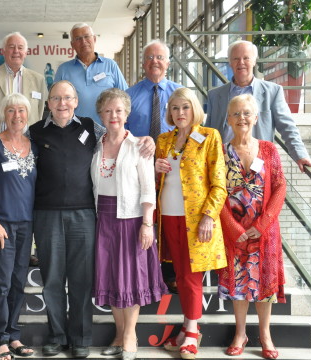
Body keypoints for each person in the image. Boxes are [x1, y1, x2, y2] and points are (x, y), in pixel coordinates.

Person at [28, 80, 103, 359]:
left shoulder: (91, 127)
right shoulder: (34, 131)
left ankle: (81, 338)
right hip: (46, 214)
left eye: (67, 98)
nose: (62, 103)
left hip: (83, 213)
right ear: (48, 103)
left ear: (76, 101)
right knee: (52, 280)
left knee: (82, 280)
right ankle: (57, 337)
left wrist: (141, 141)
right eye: (56, 98)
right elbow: (11, 148)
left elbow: (118, 140)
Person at [91, 88, 167, 360]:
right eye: (108, 111)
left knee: (131, 280)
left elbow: (148, 189)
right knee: (112, 279)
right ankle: (119, 334)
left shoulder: (139, 146)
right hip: (104, 218)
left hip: (132, 219)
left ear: (127, 114)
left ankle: (130, 337)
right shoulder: (95, 144)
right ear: (101, 113)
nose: (114, 115)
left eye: (119, 110)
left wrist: (148, 224)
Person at [154, 88, 227, 360]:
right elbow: (157, 183)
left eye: (185, 107)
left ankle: (193, 333)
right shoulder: (164, 140)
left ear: (194, 109)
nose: (180, 113)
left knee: (191, 276)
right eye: (174, 108)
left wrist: (209, 215)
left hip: (196, 220)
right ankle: (187, 328)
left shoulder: (209, 137)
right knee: (180, 276)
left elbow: (219, 183)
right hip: (168, 218)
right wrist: (155, 170)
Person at [216, 95, 286, 359]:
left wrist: (264, 222)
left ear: (255, 118)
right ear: (228, 119)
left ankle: (265, 334)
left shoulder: (268, 149)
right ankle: (240, 333)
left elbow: (280, 187)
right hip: (235, 232)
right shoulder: (221, 151)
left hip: (264, 232)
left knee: (264, 283)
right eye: (236, 114)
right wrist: (233, 227)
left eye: (246, 113)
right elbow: (217, 192)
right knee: (239, 282)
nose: (241, 118)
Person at [0, 93, 38, 360]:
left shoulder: (33, 145)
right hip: (0, 225)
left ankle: (13, 336)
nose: (17, 116)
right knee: (0, 285)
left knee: (17, 283)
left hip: (26, 226)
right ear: (4, 114)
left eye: (22, 111)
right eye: (11, 111)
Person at [125, 39, 183, 293]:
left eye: (159, 57)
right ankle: (145, 272)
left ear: (168, 63)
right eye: (149, 58)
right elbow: (121, 133)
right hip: (140, 168)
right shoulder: (129, 95)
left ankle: (170, 273)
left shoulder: (180, 94)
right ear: (143, 63)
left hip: (174, 168)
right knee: (144, 219)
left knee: (170, 218)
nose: (154, 62)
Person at [205, 39, 311, 173]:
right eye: (236, 58)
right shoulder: (215, 95)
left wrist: (300, 155)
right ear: (230, 62)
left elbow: (287, 127)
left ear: (255, 61)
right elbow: (207, 133)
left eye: (246, 58)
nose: (241, 63)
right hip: (222, 167)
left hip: (257, 166)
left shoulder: (273, 92)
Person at [54, 23, 128, 125]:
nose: (83, 41)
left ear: (94, 39)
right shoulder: (63, 69)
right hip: (74, 132)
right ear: (72, 45)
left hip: (107, 132)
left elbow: (125, 98)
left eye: (86, 36)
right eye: (78, 39)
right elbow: (55, 103)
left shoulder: (110, 65)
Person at [0, 32, 47, 132]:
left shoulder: (39, 79)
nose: (16, 51)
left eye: (20, 47)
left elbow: (39, 113)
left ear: (26, 53)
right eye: (11, 47)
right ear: (3, 51)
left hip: (27, 141)